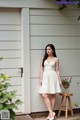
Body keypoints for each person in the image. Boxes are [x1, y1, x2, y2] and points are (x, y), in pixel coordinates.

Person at [39, 44, 62, 120]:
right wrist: (41, 79)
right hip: (45, 77)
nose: (47, 51)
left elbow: (57, 70)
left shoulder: (56, 59)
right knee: (44, 95)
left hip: (53, 76)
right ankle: (52, 113)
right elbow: (42, 69)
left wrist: (59, 80)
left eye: (49, 49)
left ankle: (50, 114)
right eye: (46, 49)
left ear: (53, 50)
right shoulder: (43, 58)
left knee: (53, 95)